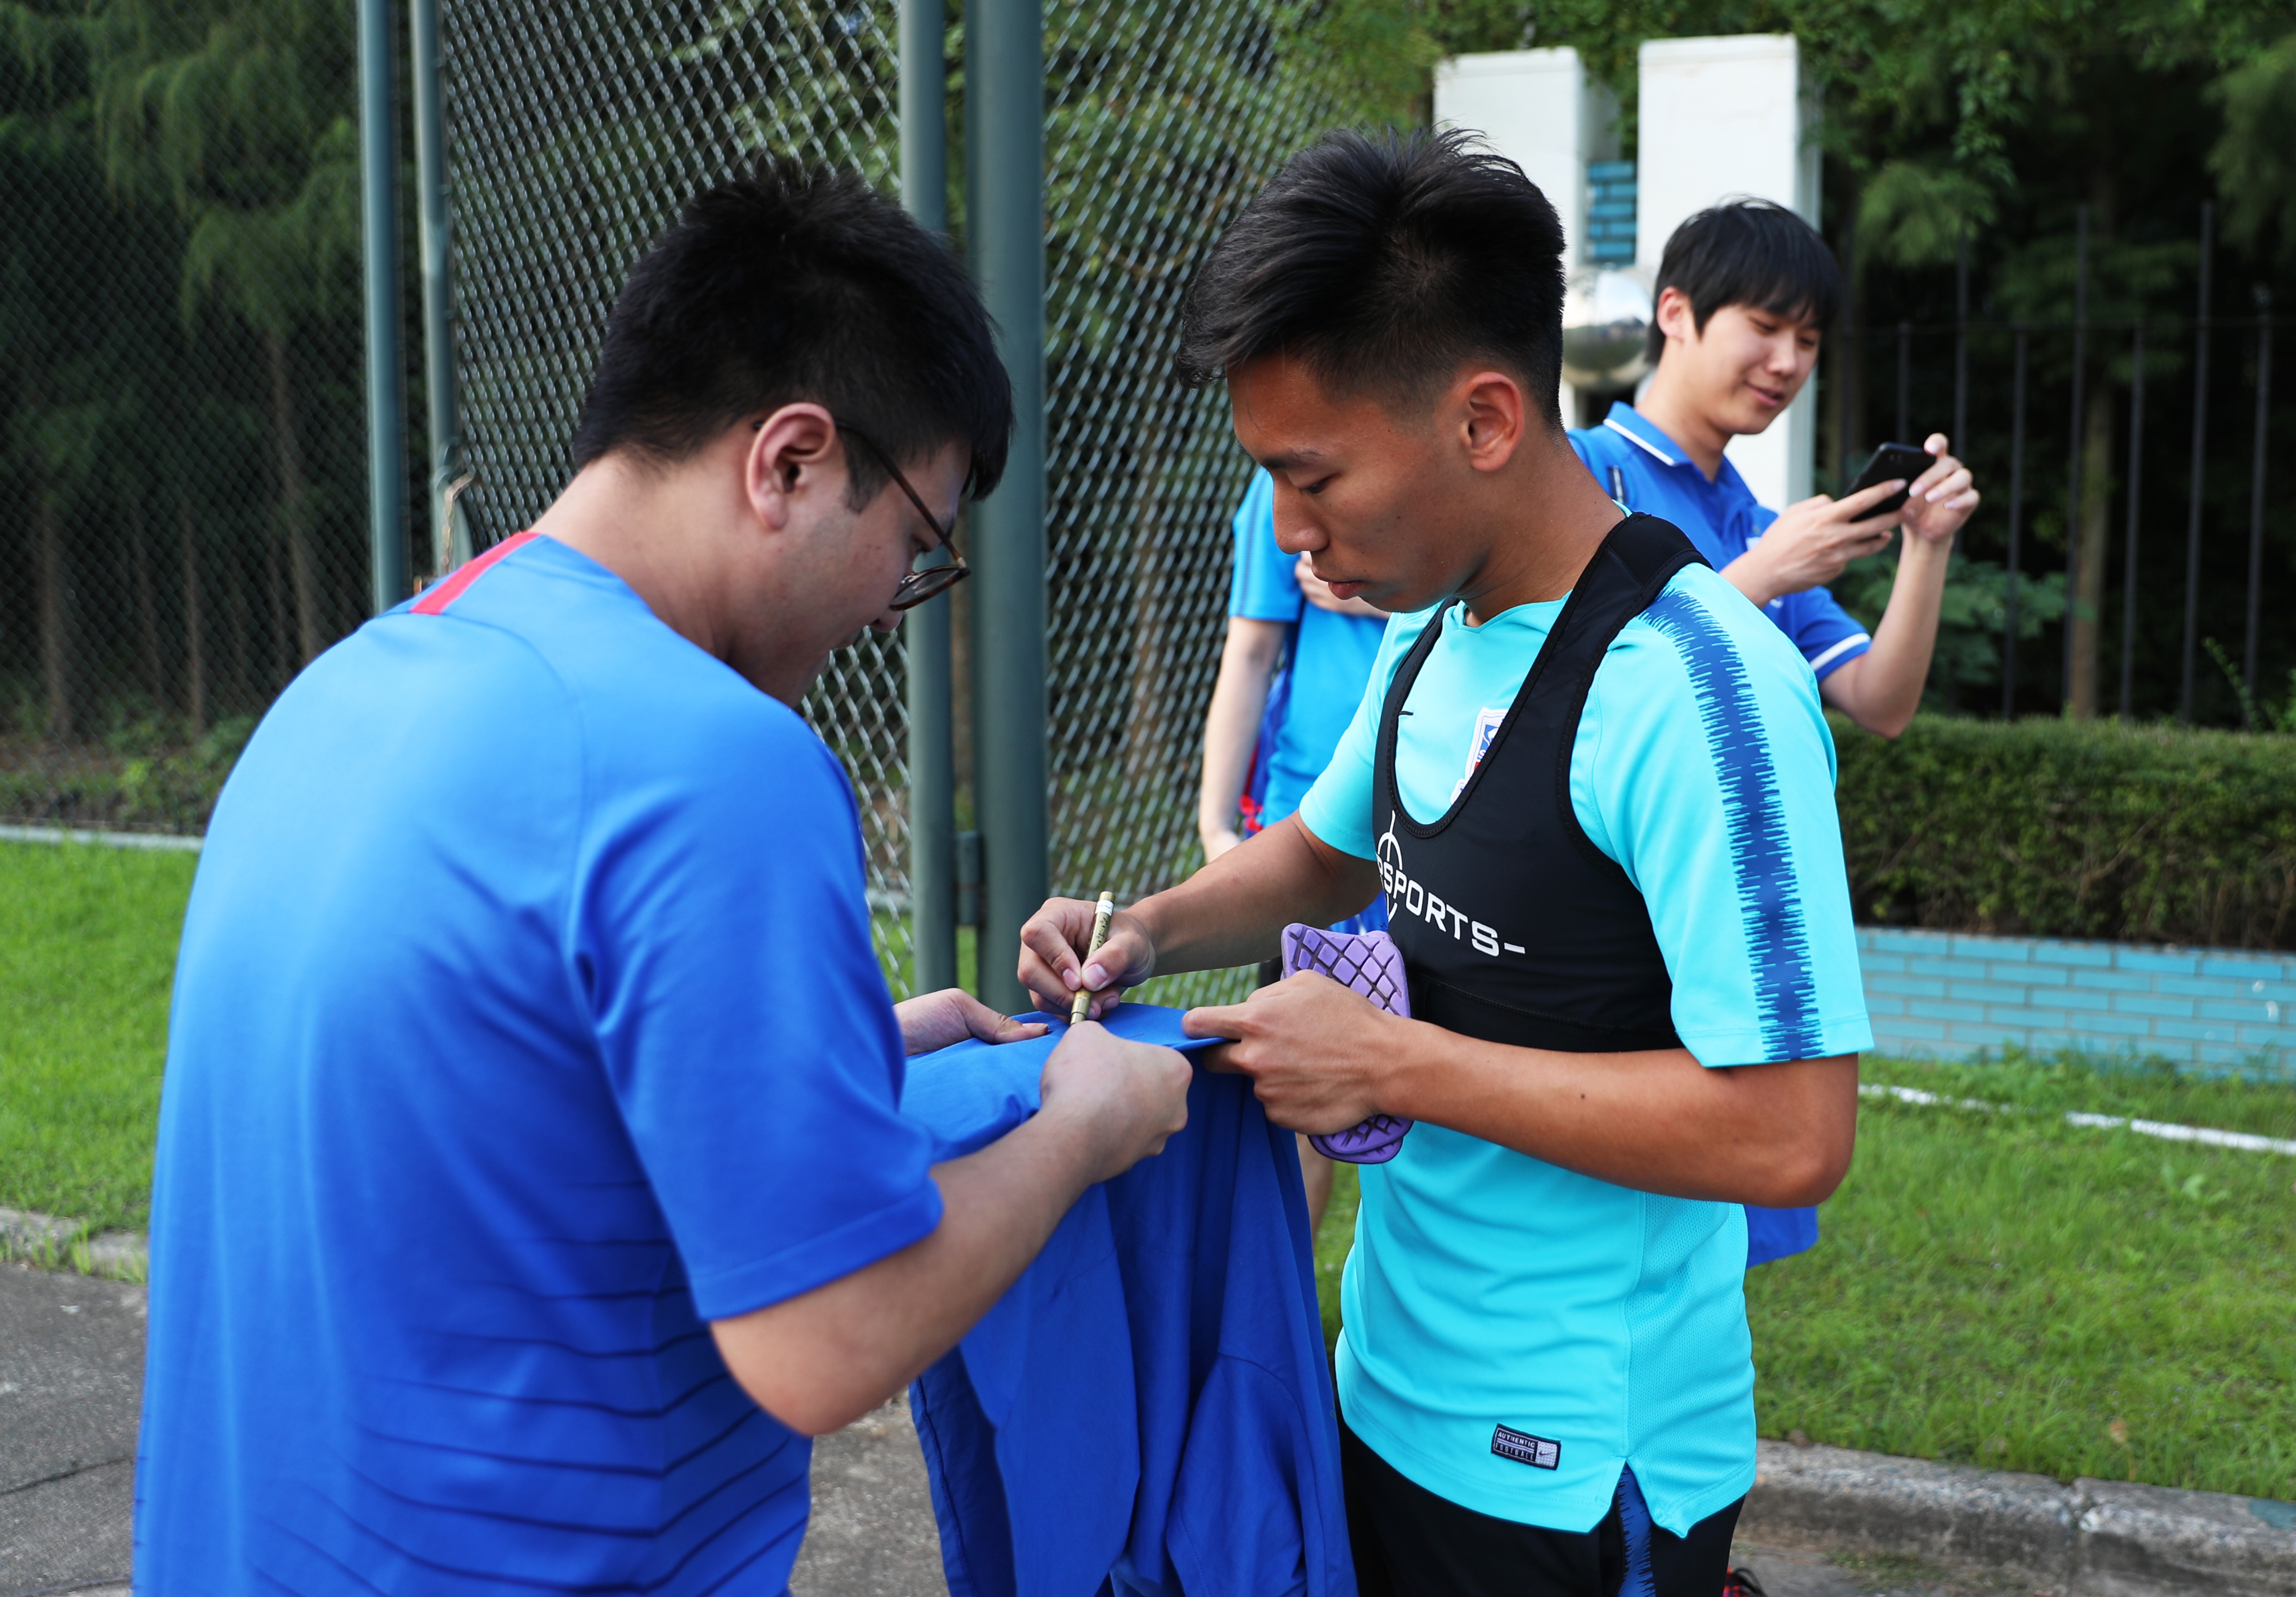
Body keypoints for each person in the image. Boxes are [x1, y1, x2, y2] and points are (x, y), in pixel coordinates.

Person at [134, 158, 1194, 1596]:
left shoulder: (348, 689)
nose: (894, 607)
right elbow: (822, 1339)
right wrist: (1081, 1117)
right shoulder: (715, 763)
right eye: (916, 547)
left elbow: (487, 1087)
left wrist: (844, 1048)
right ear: (792, 460)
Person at [1021, 129, 1871, 1597]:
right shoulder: (1432, 627)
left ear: (1483, 419)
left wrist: (1394, 1063)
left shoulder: (1694, 689)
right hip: (1384, 1388)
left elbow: (1791, 1130)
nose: (1290, 534)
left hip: (1575, 1468)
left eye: (1313, 477)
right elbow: (1319, 851)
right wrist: (1141, 926)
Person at [1568, 200, 1978, 1268]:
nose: (1787, 360)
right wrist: (1756, 579)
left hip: (1725, 903)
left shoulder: (1756, 514)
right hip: (1605, 919)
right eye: (1764, 325)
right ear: (1676, 313)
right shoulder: (1581, 475)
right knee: (1619, 1224)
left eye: (1808, 340)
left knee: (1706, 1239)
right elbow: (1564, 682)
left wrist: (1924, 548)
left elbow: (1880, 702)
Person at [1199, 468, 1389, 1228]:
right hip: (1309, 824)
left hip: (1438, 827)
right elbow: (1248, 655)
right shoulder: (1278, 487)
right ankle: (1284, 1328)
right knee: (1305, 1105)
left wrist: (1378, 591)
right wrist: (1217, 826)